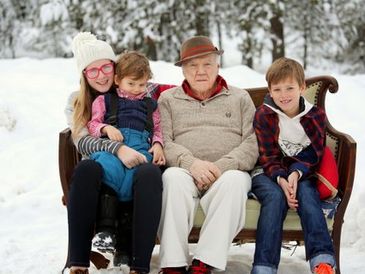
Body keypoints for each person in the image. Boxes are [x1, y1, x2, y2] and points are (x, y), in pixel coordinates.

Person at [65, 32, 169, 274]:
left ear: (116, 69)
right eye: (92, 70)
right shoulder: (80, 102)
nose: (101, 75)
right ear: (83, 74)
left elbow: (161, 112)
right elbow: (83, 139)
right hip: (105, 164)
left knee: (148, 173)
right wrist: (116, 146)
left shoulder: (144, 93)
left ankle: (138, 264)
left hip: (139, 156)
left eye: (105, 67)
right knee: (88, 168)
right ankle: (78, 262)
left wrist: (158, 143)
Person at [157, 36, 258, 274]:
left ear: (218, 66)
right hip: (185, 170)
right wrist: (191, 164)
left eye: (207, 64)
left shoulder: (240, 98)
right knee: (171, 178)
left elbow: (253, 142)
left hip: (228, 172)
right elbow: (164, 141)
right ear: (183, 69)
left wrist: (221, 166)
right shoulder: (168, 99)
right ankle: (173, 263)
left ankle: (204, 262)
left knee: (234, 181)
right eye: (193, 65)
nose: (200, 71)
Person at [251, 57, 336, 274]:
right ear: (269, 90)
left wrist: (296, 174)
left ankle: (322, 261)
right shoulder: (264, 115)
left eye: (290, 88)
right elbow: (267, 154)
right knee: (276, 198)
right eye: (277, 89)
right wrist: (281, 177)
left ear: (302, 87)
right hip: (267, 172)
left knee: (308, 196)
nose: (283, 95)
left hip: (302, 173)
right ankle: (264, 267)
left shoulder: (314, 116)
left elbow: (314, 151)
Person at [86, 51, 165, 250]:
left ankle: (124, 242)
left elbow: (157, 129)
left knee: (136, 177)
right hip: (113, 149)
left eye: (142, 84)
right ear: (117, 80)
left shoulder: (151, 105)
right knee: (107, 168)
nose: (137, 90)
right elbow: (92, 125)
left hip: (140, 148)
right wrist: (106, 128)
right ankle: (105, 231)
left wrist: (157, 144)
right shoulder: (105, 101)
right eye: (131, 84)